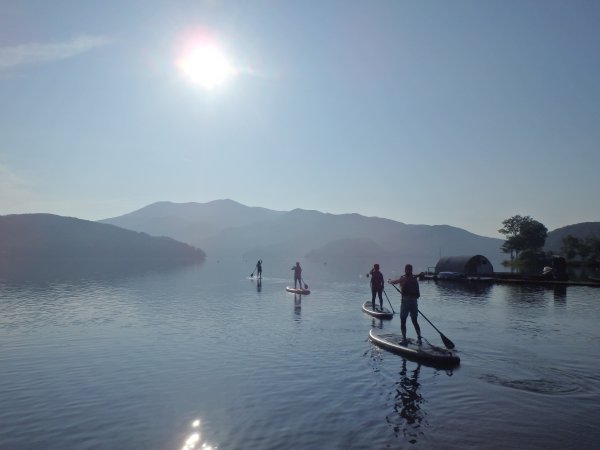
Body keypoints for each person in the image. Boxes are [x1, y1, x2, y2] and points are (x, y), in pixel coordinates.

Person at [389, 264, 421, 345]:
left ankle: (404, 339)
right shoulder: (415, 280)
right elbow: (418, 295)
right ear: (411, 270)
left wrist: (389, 281)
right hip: (414, 303)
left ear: (406, 270)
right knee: (415, 321)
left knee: (403, 321)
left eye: (407, 270)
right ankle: (419, 339)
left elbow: (395, 282)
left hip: (405, 303)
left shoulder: (403, 279)